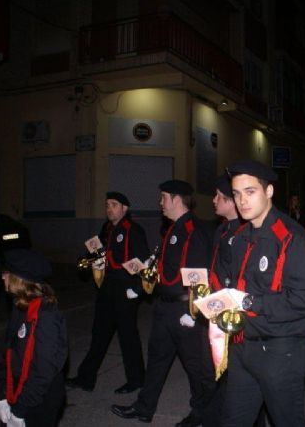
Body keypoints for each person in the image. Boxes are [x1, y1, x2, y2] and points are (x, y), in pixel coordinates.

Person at [219, 159, 305, 426]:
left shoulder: (291, 237)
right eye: (237, 194)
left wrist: (251, 301)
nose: (242, 201)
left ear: (269, 191)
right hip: (243, 346)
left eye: (250, 192)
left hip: (281, 350)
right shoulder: (241, 236)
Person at [112, 180, 215, 427]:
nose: (160, 203)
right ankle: (144, 408)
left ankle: (201, 413)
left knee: (195, 367)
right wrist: (142, 285)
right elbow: (164, 267)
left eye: (163, 198)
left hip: (183, 309)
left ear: (177, 199)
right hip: (164, 306)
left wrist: (195, 310)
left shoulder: (193, 229)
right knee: (157, 359)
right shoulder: (172, 228)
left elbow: (200, 273)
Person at [67, 192, 148, 394]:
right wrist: (88, 259)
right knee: (99, 334)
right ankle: (86, 378)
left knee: (128, 336)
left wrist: (136, 289)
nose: (109, 208)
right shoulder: (107, 228)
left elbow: (143, 261)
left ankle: (136, 379)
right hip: (107, 287)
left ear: (124, 208)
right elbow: (99, 251)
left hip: (124, 288)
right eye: (107, 205)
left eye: (114, 204)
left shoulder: (133, 230)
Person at [0, 249, 67, 427]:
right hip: (20, 393)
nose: (2, 277)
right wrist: (2, 395)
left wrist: (20, 410)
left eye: (6, 273)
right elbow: (8, 355)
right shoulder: (19, 307)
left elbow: (44, 370)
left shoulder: (46, 316)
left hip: (38, 398)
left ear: (19, 280)